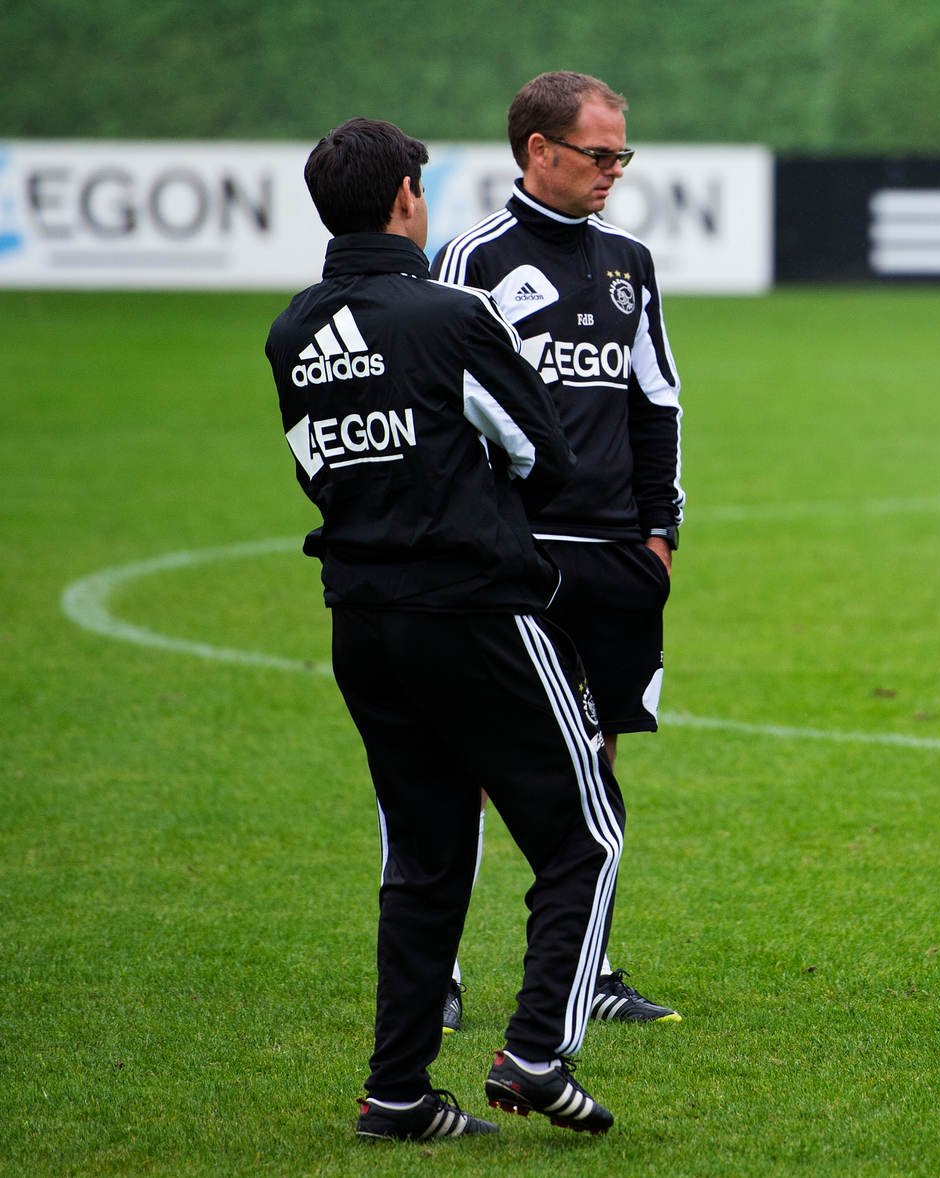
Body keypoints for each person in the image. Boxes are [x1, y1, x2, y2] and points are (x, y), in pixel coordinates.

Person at [268, 117, 619, 1138]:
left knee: (424, 857)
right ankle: (536, 1051)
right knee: (582, 833)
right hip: (471, 610)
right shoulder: (449, 316)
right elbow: (538, 451)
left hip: (360, 621)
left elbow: (317, 460)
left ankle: (399, 1094)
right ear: (405, 202)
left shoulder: (291, 329)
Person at [431, 71, 683, 1030]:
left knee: (600, 755)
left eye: (623, 154)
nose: (615, 170)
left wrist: (661, 531)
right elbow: (443, 408)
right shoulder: (473, 259)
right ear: (539, 150)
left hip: (617, 555)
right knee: (480, 759)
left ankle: (597, 967)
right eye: (600, 153)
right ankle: (442, 970)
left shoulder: (630, 259)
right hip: (514, 556)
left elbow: (655, 398)